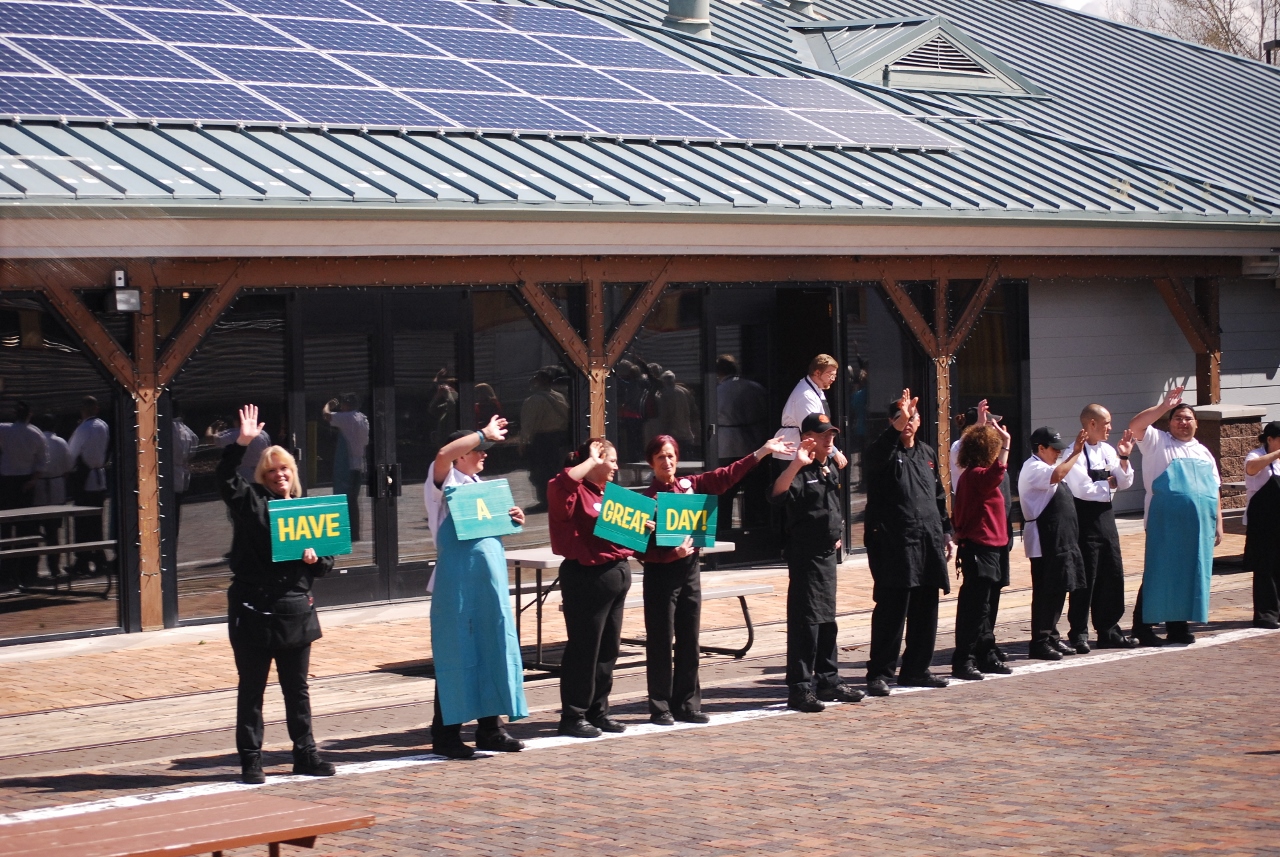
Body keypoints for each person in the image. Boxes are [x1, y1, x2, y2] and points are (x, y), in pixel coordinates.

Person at [641, 431, 793, 724]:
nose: (667, 462)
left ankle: (687, 704)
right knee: (661, 641)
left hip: (690, 572)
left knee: (690, 638)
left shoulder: (692, 486)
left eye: (671, 456)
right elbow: (638, 551)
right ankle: (660, 707)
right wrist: (668, 551)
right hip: (661, 574)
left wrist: (761, 451)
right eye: (661, 457)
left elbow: (726, 476)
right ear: (651, 463)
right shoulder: (646, 499)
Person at [219, 404, 335, 785]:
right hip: (254, 609)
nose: (279, 475)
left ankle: (306, 753)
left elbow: (326, 564)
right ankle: (251, 759)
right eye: (271, 471)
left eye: (284, 469)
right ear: (263, 477)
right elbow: (224, 480)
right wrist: (242, 443)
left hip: (295, 610)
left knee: (296, 690)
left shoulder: (308, 508)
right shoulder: (253, 503)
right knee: (252, 688)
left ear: (293, 473)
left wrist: (316, 558)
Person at [424, 419, 528, 758]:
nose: (484, 454)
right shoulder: (443, 482)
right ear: (461, 455)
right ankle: (446, 734)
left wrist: (513, 516)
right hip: (456, 585)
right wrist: (482, 433)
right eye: (478, 450)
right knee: (455, 654)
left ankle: (490, 730)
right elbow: (442, 453)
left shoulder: (481, 485)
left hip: (488, 582)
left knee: (491, 647)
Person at [770, 413, 865, 711]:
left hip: (827, 556)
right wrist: (797, 462)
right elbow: (777, 495)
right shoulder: (799, 469)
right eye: (823, 434)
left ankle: (828, 680)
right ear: (808, 437)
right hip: (805, 556)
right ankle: (799, 688)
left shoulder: (828, 469)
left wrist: (835, 532)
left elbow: (830, 507)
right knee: (805, 623)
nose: (829, 439)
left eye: (832, 435)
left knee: (827, 621)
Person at [862, 389, 953, 695]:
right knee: (891, 609)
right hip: (894, 542)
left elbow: (938, 496)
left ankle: (917, 669)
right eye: (901, 418)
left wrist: (947, 531)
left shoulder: (927, 453)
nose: (908, 423)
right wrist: (896, 428)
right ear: (892, 422)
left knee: (926, 608)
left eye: (912, 417)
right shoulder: (884, 452)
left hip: (927, 539)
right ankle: (880, 673)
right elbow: (876, 457)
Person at [548, 438, 632, 738]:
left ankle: (599, 710)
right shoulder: (570, 489)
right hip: (586, 577)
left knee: (608, 649)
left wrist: (641, 528)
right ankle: (573, 715)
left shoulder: (611, 493)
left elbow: (622, 534)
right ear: (594, 461)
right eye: (611, 460)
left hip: (616, 574)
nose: (616, 466)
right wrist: (590, 461)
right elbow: (562, 486)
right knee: (584, 649)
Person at [1128, 386, 1223, 646]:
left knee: (1188, 573)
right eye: (1178, 418)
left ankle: (1178, 627)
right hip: (1164, 522)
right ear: (1169, 423)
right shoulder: (1157, 442)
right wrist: (1163, 407)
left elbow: (1214, 489)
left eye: (1188, 418)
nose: (1183, 422)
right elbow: (1136, 425)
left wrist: (1218, 524)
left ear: (1196, 423)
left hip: (1198, 525)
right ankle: (1142, 626)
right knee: (1159, 572)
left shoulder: (1203, 451)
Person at [1063, 405, 1139, 651]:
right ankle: (1078, 632)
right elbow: (1082, 490)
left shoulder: (1108, 450)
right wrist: (1110, 482)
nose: (1111, 428)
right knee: (1085, 579)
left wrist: (1124, 458)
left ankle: (1108, 629)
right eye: (1106, 423)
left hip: (1107, 520)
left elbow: (1125, 481)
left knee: (1112, 574)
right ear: (1092, 424)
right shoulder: (1072, 453)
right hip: (1084, 523)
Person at [950, 405, 1013, 680]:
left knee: (988, 605)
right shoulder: (975, 475)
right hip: (980, 545)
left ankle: (985, 652)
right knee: (976, 607)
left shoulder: (973, 476)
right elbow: (995, 475)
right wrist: (1007, 446)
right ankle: (964, 658)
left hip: (994, 546)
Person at [1018, 426, 1087, 660]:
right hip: (1044, 539)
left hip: (1060, 539)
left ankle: (1051, 638)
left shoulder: (1046, 466)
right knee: (1047, 592)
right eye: (1054, 449)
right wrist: (1076, 453)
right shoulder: (1034, 467)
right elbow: (1058, 475)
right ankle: (1039, 641)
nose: (1058, 452)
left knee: (1058, 590)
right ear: (1041, 448)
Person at [714, 354, 769, 535]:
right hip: (752, 444)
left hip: (726, 446)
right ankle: (753, 528)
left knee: (726, 492)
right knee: (752, 493)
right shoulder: (754, 387)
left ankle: (724, 530)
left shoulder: (718, 391)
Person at [0, 402, 47, 590]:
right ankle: (27, 570)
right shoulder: (36, 433)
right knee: (26, 527)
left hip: (7, 482)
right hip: (26, 482)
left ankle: (6, 571)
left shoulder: (4, 429)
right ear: (30, 415)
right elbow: (42, 461)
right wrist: (33, 481)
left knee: (5, 527)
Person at [67, 396, 110, 578]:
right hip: (99, 476)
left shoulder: (83, 428)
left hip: (85, 478)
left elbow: (71, 452)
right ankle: (97, 558)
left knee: (83, 522)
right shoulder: (103, 425)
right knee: (96, 522)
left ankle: (84, 560)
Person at [1243, 421, 1280, 629]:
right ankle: (1265, 614)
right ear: (1270, 439)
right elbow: (1251, 469)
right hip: (1262, 523)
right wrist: (1276, 455)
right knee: (1264, 569)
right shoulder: (1255, 455)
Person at [774, 354, 840, 463]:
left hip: (804, 452)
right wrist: (834, 453)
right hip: (794, 452)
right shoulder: (805, 395)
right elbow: (814, 430)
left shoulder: (817, 389)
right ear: (817, 373)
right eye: (830, 375)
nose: (833, 379)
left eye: (835, 375)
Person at [520, 369, 569, 510]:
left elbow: (528, 424)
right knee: (556, 469)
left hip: (542, 439)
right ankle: (557, 497)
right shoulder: (559, 397)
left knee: (540, 471)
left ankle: (545, 500)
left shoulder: (534, 400)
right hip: (559, 438)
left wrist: (523, 442)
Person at [323, 394, 369, 542]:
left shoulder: (346, 418)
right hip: (359, 464)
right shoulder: (363, 418)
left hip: (347, 465)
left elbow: (326, 415)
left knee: (343, 499)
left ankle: (344, 532)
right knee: (353, 501)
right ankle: (354, 533)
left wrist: (329, 404)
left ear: (345, 405)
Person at [33, 414, 72, 580]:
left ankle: (32, 568)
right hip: (56, 487)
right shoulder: (61, 442)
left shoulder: (37, 441)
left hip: (39, 486)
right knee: (53, 532)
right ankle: (54, 567)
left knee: (34, 531)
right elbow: (67, 467)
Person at [171, 409, 199, 545]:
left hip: (166, 473)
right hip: (180, 472)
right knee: (175, 512)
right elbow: (193, 448)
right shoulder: (186, 430)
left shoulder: (163, 427)